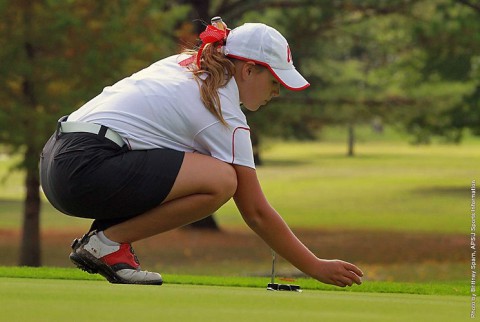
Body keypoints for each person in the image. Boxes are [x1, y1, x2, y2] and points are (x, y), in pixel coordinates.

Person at [40, 19, 363, 287]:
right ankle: (106, 244)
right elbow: (255, 211)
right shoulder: (221, 107)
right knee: (222, 180)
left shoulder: (185, 65)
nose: (277, 92)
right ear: (249, 70)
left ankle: (110, 245)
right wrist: (314, 266)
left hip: (57, 161)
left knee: (208, 169)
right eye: (275, 80)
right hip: (85, 169)